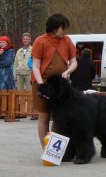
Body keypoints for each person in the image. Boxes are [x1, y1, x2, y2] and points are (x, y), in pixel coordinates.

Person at [31, 13, 78, 147]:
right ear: (54, 28)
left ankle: (55, 149)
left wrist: (68, 71)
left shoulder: (67, 41)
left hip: (61, 87)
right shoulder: (40, 41)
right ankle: (45, 147)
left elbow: (74, 62)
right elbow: (35, 67)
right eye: (63, 28)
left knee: (60, 117)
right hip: (43, 84)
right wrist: (40, 84)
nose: (65, 31)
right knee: (44, 116)